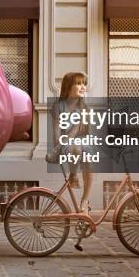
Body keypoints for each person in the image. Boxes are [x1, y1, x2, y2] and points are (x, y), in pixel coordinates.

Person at [51, 72, 95, 213]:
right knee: (74, 147)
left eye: (84, 84)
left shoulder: (84, 109)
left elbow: (84, 135)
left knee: (89, 159)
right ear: (68, 86)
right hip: (64, 145)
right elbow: (57, 133)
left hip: (82, 143)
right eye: (79, 83)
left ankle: (85, 201)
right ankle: (73, 174)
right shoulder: (58, 107)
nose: (83, 87)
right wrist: (62, 141)